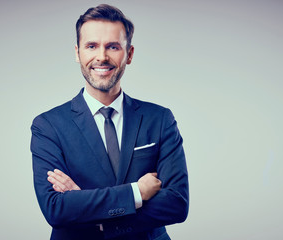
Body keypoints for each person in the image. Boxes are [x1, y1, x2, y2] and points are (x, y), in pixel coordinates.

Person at [31, 4, 189, 240]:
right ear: (77, 53)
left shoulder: (160, 119)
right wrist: (137, 192)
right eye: (91, 46)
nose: (101, 57)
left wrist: (95, 216)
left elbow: (177, 204)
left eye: (113, 47)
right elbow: (56, 209)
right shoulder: (48, 126)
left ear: (130, 54)